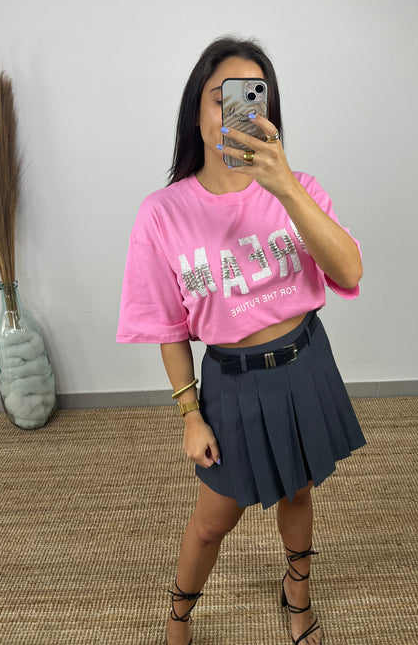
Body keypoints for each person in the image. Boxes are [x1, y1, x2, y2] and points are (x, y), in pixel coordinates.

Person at [117, 36, 366, 645]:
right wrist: (190, 415)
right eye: (220, 96)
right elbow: (168, 326)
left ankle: (297, 591)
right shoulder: (162, 213)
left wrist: (284, 187)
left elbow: (348, 271)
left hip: (305, 363)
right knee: (211, 522)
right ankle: (179, 617)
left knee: (299, 492)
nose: (236, 111)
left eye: (253, 97)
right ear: (196, 113)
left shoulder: (299, 189)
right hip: (232, 382)